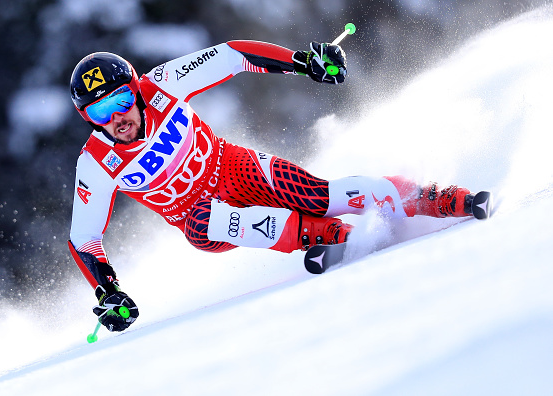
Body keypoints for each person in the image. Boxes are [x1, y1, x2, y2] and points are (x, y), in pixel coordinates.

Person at [68, 40, 479, 332]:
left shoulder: (162, 83)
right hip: (200, 216)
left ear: (136, 89)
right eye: (99, 111)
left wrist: (303, 62)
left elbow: (232, 55)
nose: (116, 118)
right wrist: (110, 292)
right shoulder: (95, 163)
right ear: (87, 118)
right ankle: (330, 236)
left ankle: (429, 198)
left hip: (233, 168)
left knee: (319, 196)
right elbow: (83, 238)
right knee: (203, 223)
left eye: (120, 100)